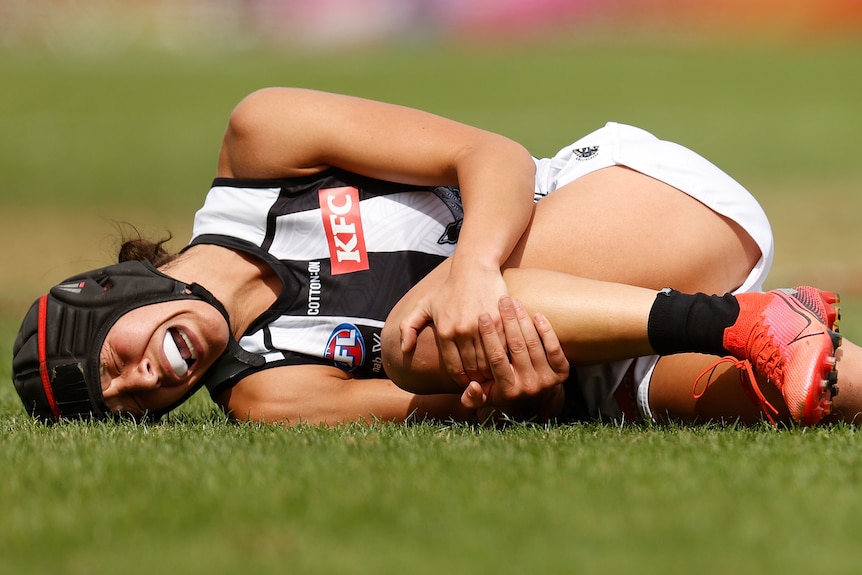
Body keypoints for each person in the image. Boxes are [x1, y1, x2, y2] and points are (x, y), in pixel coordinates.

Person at [9, 87, 850, 427]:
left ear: (112, 290)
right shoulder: (266, 394)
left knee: (414, 333)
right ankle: (778, 337)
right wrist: (496, 393)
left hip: (640, 208)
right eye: (121, 404)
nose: (138, 384)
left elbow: (496, 157)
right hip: (585, 365)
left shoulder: (262, 141)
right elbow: (449, 407)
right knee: (810, 395)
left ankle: (741, 317)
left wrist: (473, 277)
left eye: (110, 360)